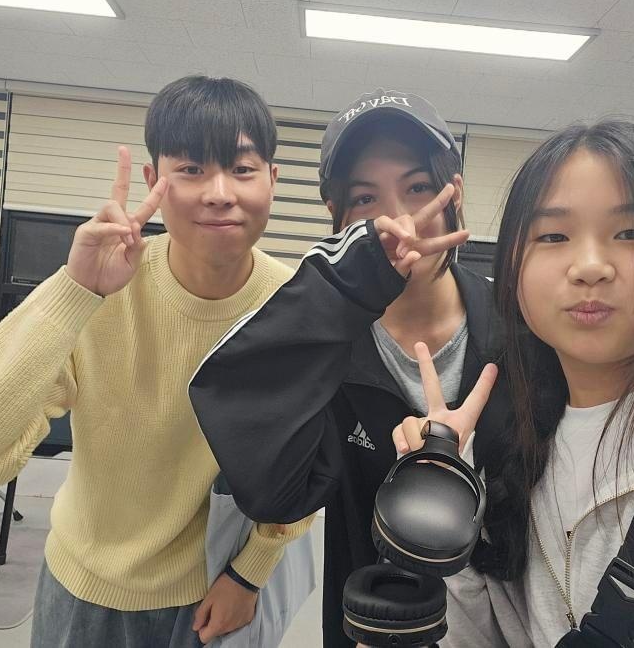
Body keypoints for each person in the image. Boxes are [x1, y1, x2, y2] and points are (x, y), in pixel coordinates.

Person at [0, 75, 314, 648]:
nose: (220, 192)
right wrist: (74, 292)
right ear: (153, 181)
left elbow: (306, 463)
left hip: (212, 591)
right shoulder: (105, 288)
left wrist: (251, 572)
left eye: (242, 169)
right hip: (80, 584)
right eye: (191, 168)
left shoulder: (298, 307)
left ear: (273, 179)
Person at [394, 119, 634, 646]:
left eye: (632, 233)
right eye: (553, 236)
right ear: (513, 276)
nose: (590, 267)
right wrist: (444, 505)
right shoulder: (509, 451)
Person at [190, 89, 513, 647]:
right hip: (370, 628)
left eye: (418, 187)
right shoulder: (329, 348)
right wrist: (338, 289)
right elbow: (273, 493)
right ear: (338, 217)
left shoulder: (518, 330)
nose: (400, 219)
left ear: (454, 194)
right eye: (365, 199)